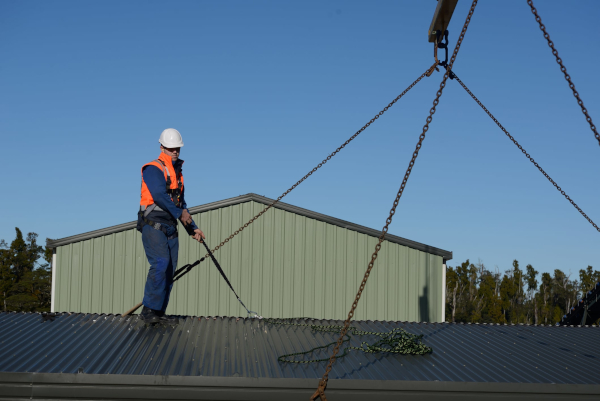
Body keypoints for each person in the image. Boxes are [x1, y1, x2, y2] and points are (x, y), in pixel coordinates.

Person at [137, 128, 205, 324]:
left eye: (177, 148)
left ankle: (159, 312)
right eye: (170, 148)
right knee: (160, 263)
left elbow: (180, 204)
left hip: (170, 226)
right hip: (153, 223)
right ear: (162, 147)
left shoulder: (178, 174)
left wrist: (193, 229)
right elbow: (159, 195)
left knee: (170, 269)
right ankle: (148, 311)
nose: (175, 151)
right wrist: (179, 214)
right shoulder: (153, 168)